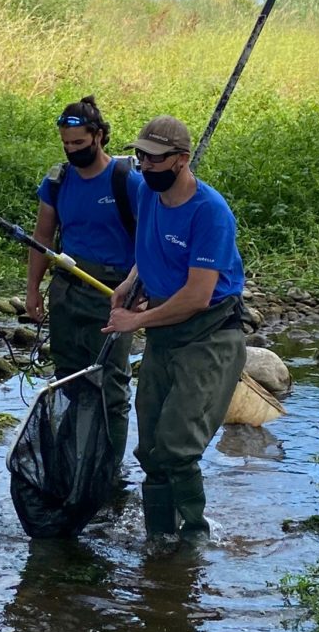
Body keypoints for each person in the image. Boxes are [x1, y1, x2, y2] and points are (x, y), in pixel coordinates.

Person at [104, 116, 246, 541]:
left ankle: (193, 541)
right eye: (140, 156)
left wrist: (136, 320)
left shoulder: (211, 214)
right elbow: (147, 251)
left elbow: (197, 296)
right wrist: (130, 283)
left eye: (154, 158)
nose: (145, 166)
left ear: (181, 160)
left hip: (209, 335)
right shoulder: (148, 194)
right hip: (164, 335)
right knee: (150, 449)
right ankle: (158, 541)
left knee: (178, 449)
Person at [25, 96, 141, 482]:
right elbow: (42, 238)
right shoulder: (57, 183)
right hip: (67, 292)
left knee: (111, 385)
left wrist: (141, 295)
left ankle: (108, 472)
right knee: (69, 379)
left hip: (113, 296)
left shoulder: (128, 181)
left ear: (100, 136)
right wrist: (33, 292)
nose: (73, 150)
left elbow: (150, 241)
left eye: (80, 143)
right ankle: (73, 463)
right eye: (66, 144)